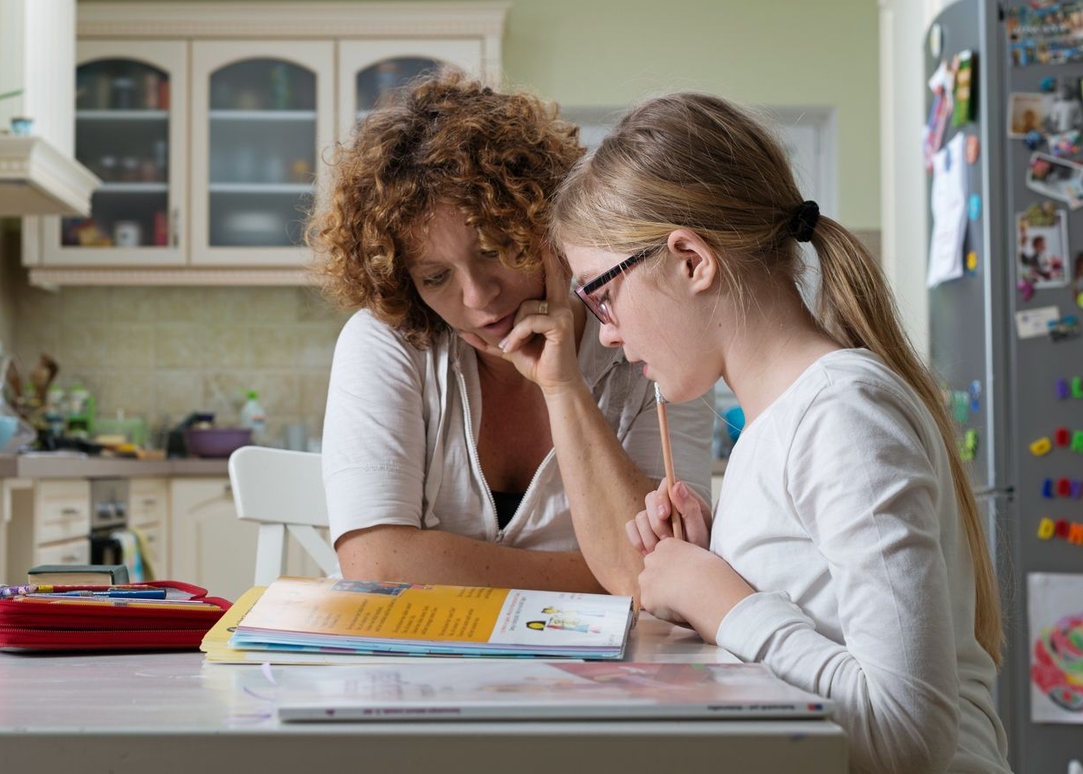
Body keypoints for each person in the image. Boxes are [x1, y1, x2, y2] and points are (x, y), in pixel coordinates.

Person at [499, 91, 1010, 773]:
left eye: (601, 294)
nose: (608, 332)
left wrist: (722, 600)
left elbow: (908, 736)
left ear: (690, 261)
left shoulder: (843, 418)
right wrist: (710, 570)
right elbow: (809, 628)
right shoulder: (781, 420)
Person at [307, 74, 714, 593]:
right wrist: (603, 574)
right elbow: (376, 566)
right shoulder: (387, 342)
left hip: (591, 674)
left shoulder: (653, 347)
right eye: (436, 277)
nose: (477, 298)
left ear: (543, 225)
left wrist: (564, 388)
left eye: (495, 249)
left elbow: (670, 571)